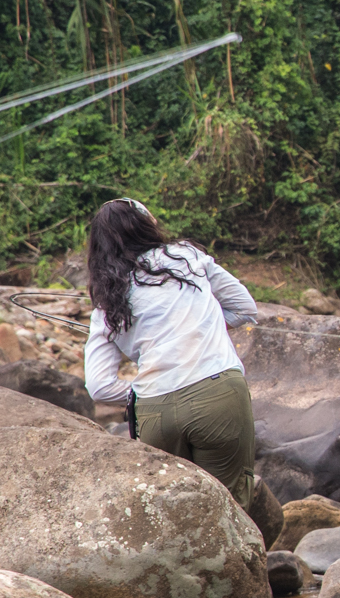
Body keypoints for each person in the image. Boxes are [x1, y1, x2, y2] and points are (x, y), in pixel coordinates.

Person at [83, 199, 261, 507]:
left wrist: (141, 391)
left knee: (175, 515)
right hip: (218, 393)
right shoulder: (187, 257)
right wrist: (206, 327)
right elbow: (245, 309)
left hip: (154, 411)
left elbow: (98, 386)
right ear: (146, 225)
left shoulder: (106, 301)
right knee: (230, 509)